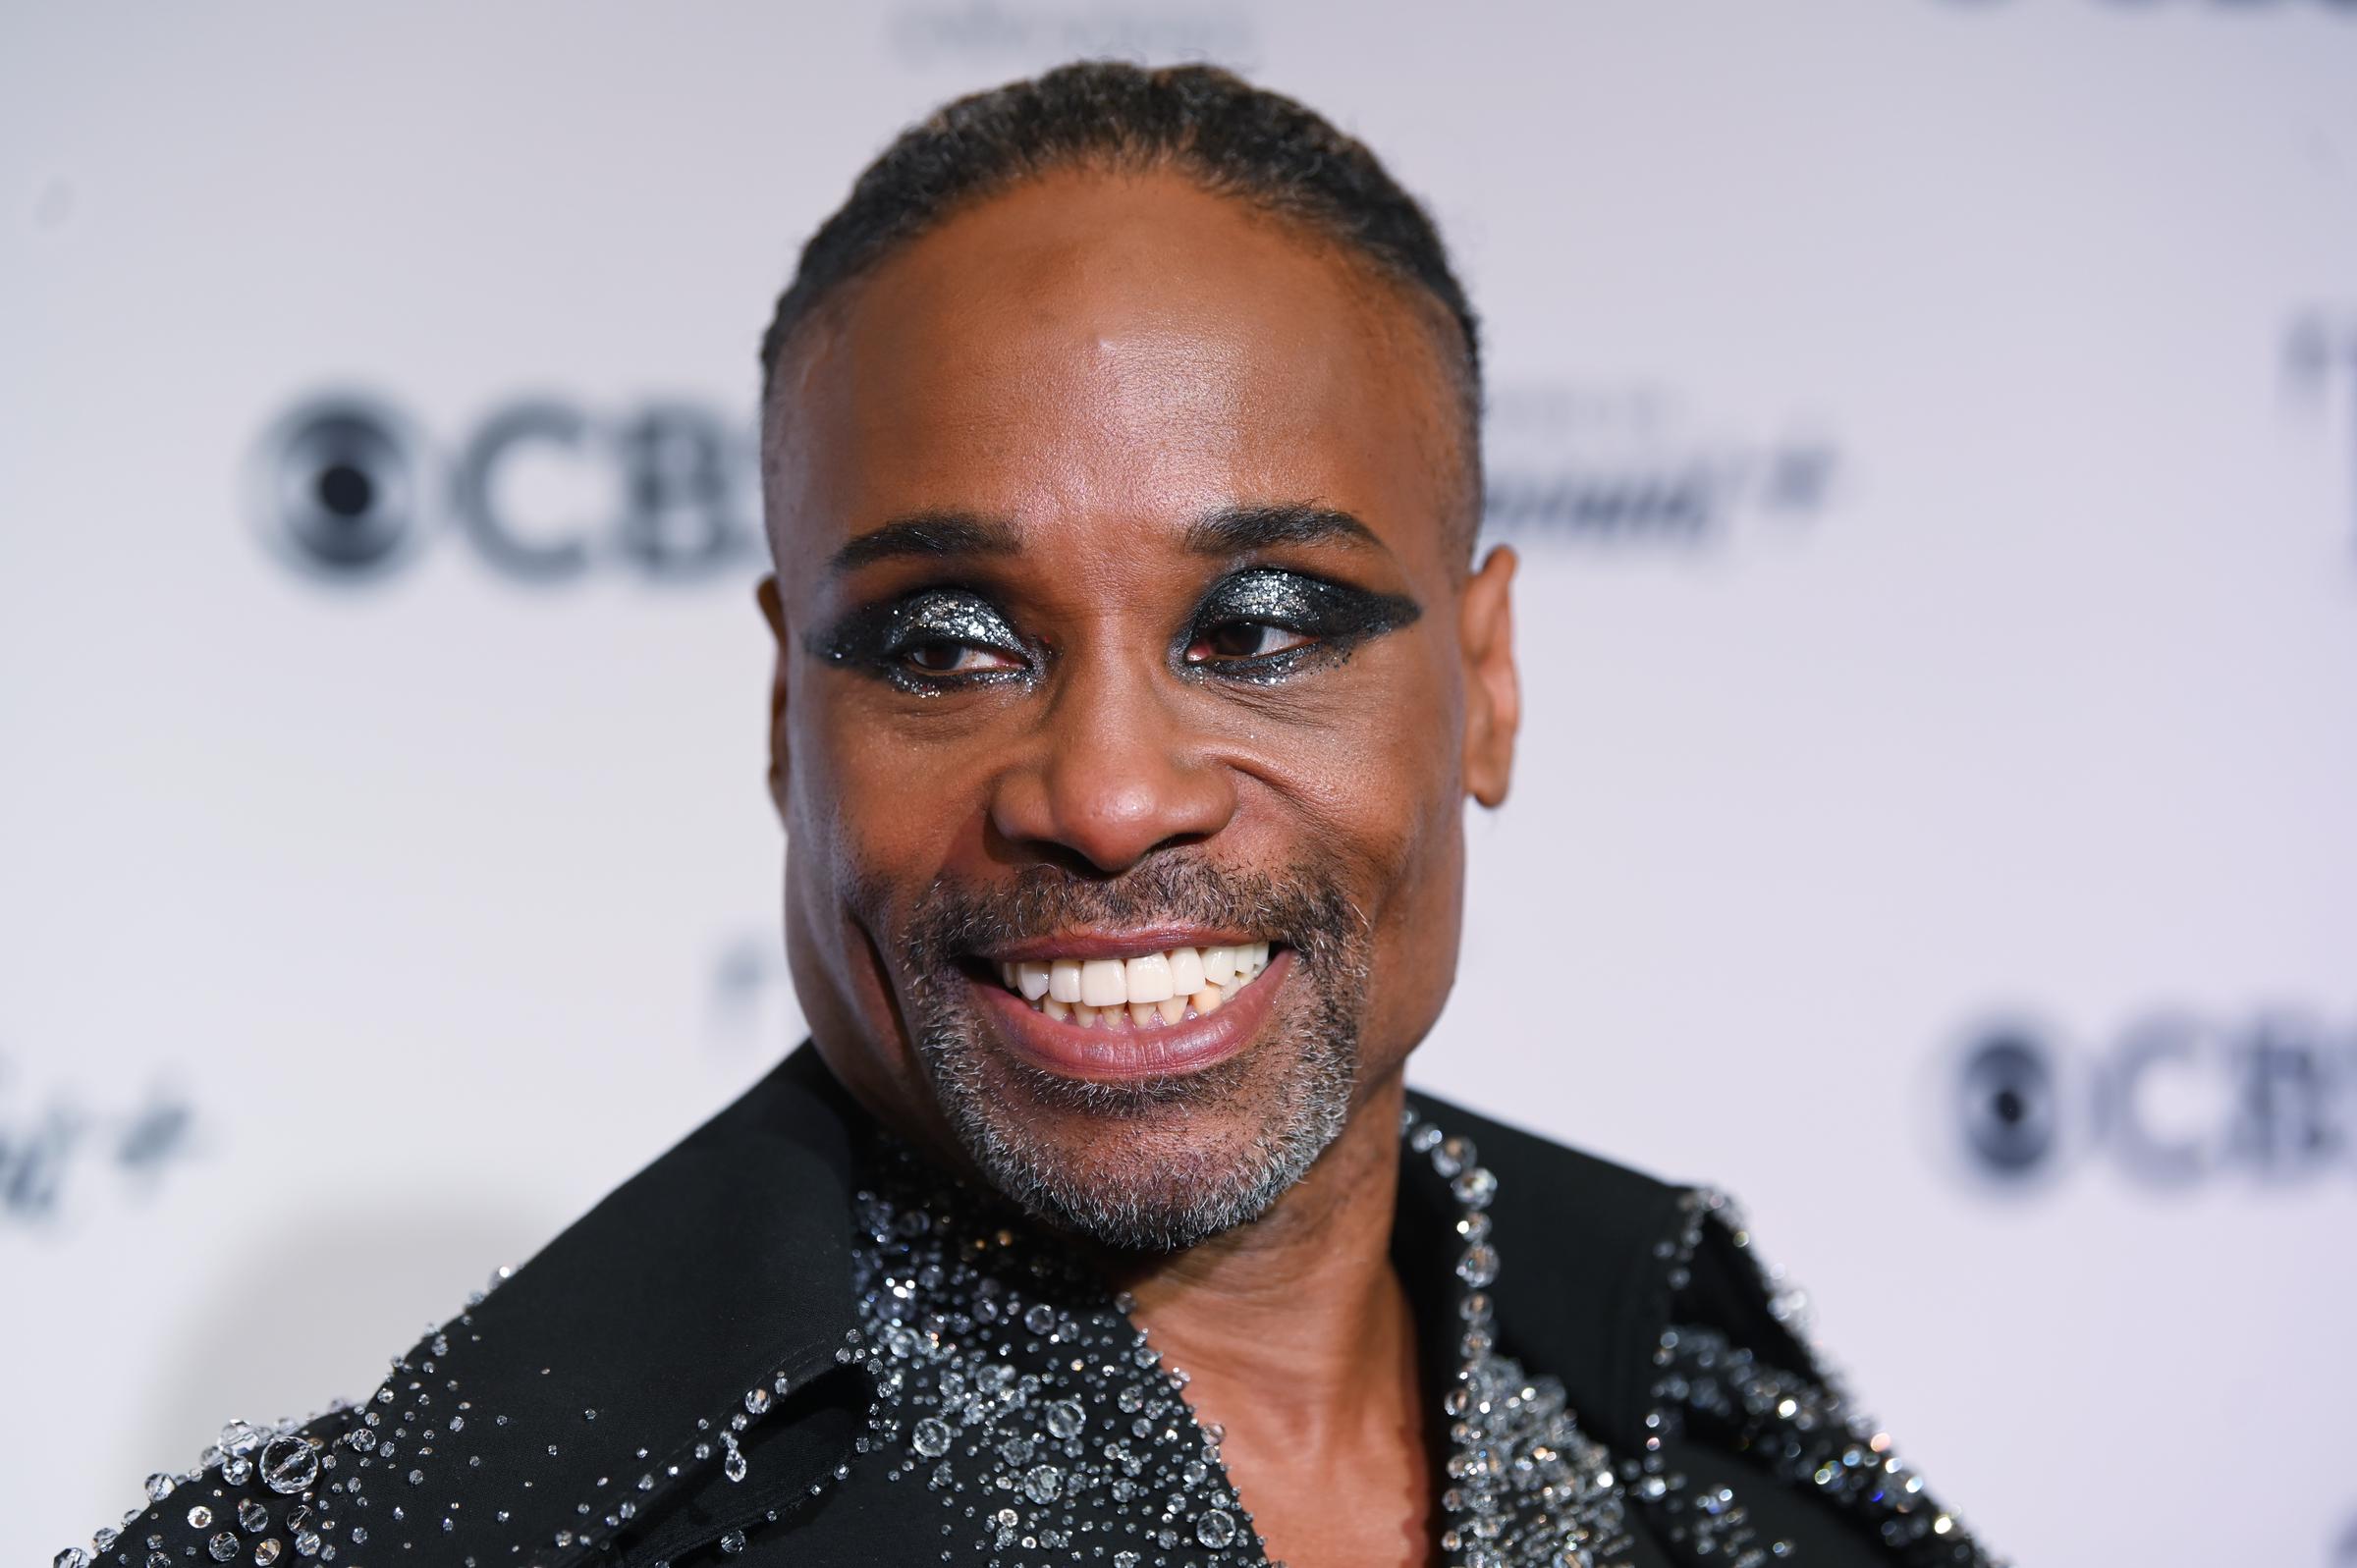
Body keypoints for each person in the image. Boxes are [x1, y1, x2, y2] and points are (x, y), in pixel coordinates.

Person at [70, 62, 1998, 1568]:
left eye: (1261, 627)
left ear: (1483, 681)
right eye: (946, 641)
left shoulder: (1723, 1444)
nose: (1104, 791)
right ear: (783, 709)